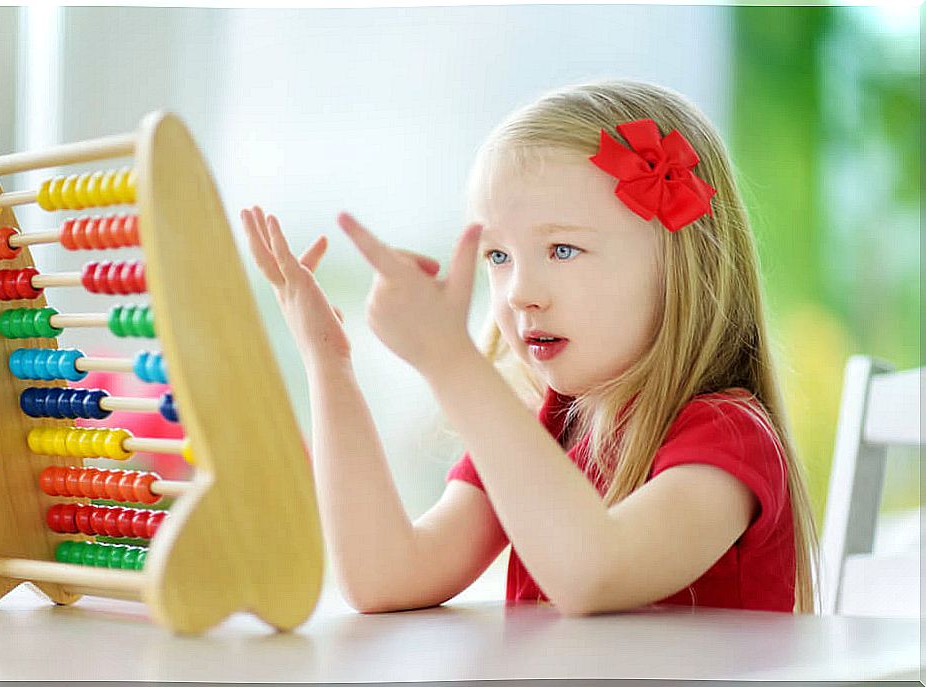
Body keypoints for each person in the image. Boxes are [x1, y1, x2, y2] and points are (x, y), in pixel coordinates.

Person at [239, 79, 821, 616]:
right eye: (498, 256)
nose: (520, 294)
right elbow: (384, 577)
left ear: (683, 268)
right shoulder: (542, 429)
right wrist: (327, 359)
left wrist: (451, 361)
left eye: (563, 250)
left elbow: (595, 574)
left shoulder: (729, 440)